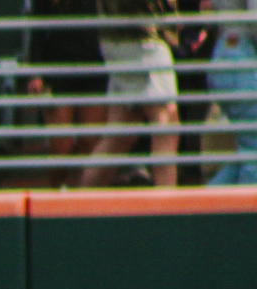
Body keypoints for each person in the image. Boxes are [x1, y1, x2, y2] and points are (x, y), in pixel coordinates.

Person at [83, 0, 179, 187]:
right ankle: (167, 202)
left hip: (114, 41)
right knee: (166, 131)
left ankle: (81, 200)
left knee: (119, 137)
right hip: (144, 41)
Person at [26, 0, 108, 185]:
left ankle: (86, 197)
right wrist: (35, 74)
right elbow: (37, 31)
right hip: (57, 72)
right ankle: (54, 196)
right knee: (61, 148)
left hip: (94, 71)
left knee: (91, 144)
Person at [206, 0, 257, 185]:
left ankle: (204, 201)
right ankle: (253, 205)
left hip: (224, 51)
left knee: (251, 154)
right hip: (242, 58)